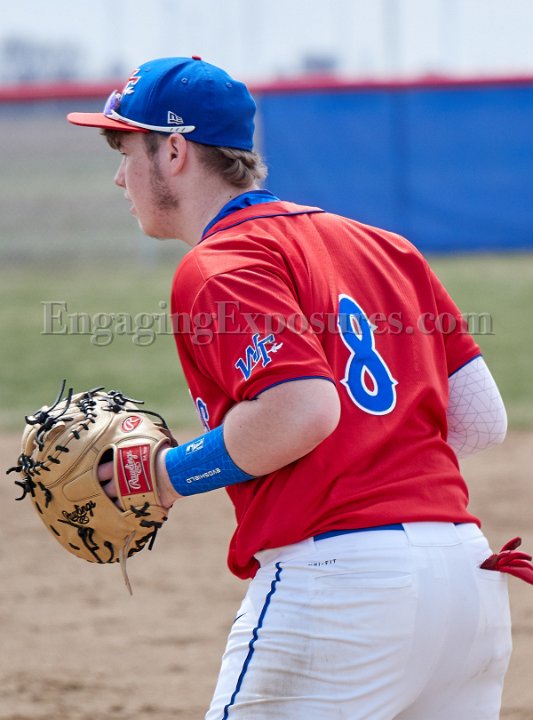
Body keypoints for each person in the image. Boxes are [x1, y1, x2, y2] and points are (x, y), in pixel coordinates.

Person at [68, 56, 525, 720]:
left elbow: (301, 409)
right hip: (464, 584)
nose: (119, 176)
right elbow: (481, 420)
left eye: (126, 150)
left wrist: (162, 476)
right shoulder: (385, 246)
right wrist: (378, 468)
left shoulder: (222, 262)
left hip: (341, 593)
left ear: (173, 151)